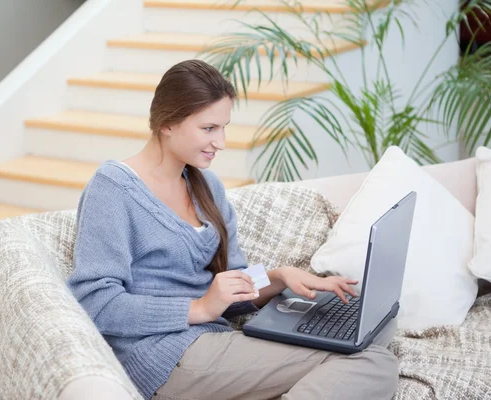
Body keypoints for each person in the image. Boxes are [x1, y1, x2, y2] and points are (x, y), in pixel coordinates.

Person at [66, 59, 399, 400]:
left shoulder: (207, 186)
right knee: (374, 361)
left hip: (216, 341)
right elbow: (96, 303)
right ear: (167, 123)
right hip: (166, 354)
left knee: (377, 326)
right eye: (209, 128)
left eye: (223, 127)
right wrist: (199, 308)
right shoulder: (113, 188)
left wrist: (281, 277)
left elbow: (234, 286)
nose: (220, 142)